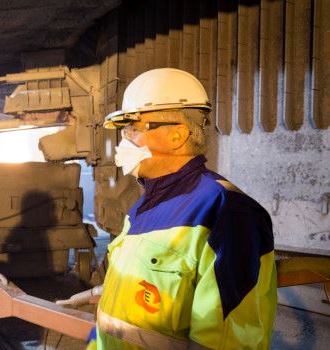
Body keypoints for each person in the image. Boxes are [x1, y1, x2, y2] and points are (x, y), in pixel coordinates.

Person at [59, 68, 277, 349]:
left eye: (134, 130)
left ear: (177, 135)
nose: (123, 143)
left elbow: (226, 340)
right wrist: (97, 295)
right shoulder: (144, 207)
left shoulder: (227, 213)